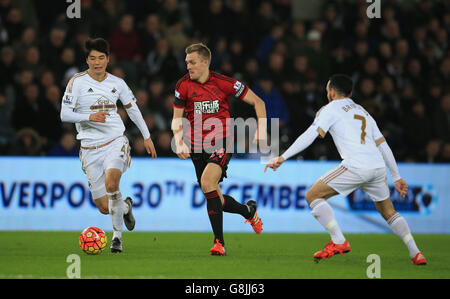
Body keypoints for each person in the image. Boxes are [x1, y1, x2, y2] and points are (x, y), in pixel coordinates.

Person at [265, 74, 426, 265]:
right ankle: (416, 253)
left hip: (356, 166)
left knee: (312, 196)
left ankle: (339, 241)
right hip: (377, 167)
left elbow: (310, 135)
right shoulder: (363, 111)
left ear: (332, 92)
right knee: (389, 212)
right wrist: (396, 176)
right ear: (349, 93)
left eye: (327, 90)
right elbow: (383, 145)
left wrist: (283, 157)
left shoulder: (330, 109)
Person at [60, 38, 157, 253]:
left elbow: (132, 109)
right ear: (87, 60)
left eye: (101, 58)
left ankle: (117, 239)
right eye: (92, 58)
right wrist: (90, 116)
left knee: (112, 183)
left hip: (115, 141)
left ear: (108, 60)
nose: (97, 62)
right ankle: (125, 207)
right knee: (105, 207)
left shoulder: (117, 83)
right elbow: (64, 114)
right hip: (88, 148)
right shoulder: (76, 82)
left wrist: (147, 136)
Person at [172, 43, 267, 256]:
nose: (188, 66)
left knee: (207, 183)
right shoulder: (182, 85)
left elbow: (258, 102)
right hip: (197, 146)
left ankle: (219, 243)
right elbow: (176, 118)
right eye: (187, 62)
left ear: (206, 62)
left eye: (192, 62)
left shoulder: (225, 83)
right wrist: (178, 140)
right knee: (215, 196)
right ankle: (248, 211)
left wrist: (261, 130)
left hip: (221, 141)